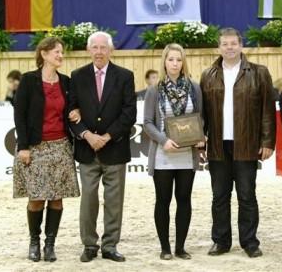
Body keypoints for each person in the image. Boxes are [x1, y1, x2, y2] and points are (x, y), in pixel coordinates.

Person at [200, 28, 276, 258]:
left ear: (241, 46)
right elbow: (202, 113)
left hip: (247, 143)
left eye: (233, 43)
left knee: (246, 195)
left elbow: (268, 111)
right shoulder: (208, 75)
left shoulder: (259, 73)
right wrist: (200, 142)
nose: (229, 47)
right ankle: (221, 241)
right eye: (225, 44)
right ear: (219, 48)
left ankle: (250, 242)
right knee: (219, 196)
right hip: (217, 145)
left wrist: (268, 141)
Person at [69, 31, 137, 263]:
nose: (99, 52)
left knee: (114, 201)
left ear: (111, 50)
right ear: (89, 50)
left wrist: (106, 136)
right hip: (87, 151)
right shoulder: (77, 76)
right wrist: (87, 135)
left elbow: (129, 113)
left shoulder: (125, 76)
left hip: (115, 149)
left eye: (103, 47)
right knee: (88, 199)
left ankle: (110, 246)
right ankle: (89, 245)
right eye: (95, 47)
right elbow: (70, 112)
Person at [12, 37, 80, 262]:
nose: (60, 55)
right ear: (44, 54)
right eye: (56, 52)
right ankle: (34, 242)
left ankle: (50, 244)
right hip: (35, 148)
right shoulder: (29, 80)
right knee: (36, 199)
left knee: (57, 199)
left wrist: (76, 113)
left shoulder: (67, 82)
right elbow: (19, 115)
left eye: (61, 52)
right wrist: (23, 146)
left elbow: (72, 110)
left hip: (61, 146)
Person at [143, 43, 204, 260]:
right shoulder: (154, 90)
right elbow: (148, 123)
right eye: (171, 59)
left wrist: (200, 137)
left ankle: (180, 247)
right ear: (164, 62)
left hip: (187, 155)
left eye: (179, 60)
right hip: (163, 154)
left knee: (184, 199)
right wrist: (163, 140)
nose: (175, 64)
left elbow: (200, 118)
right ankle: (165, 248)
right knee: (163, 200)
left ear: (183, 62)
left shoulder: (194, 88)